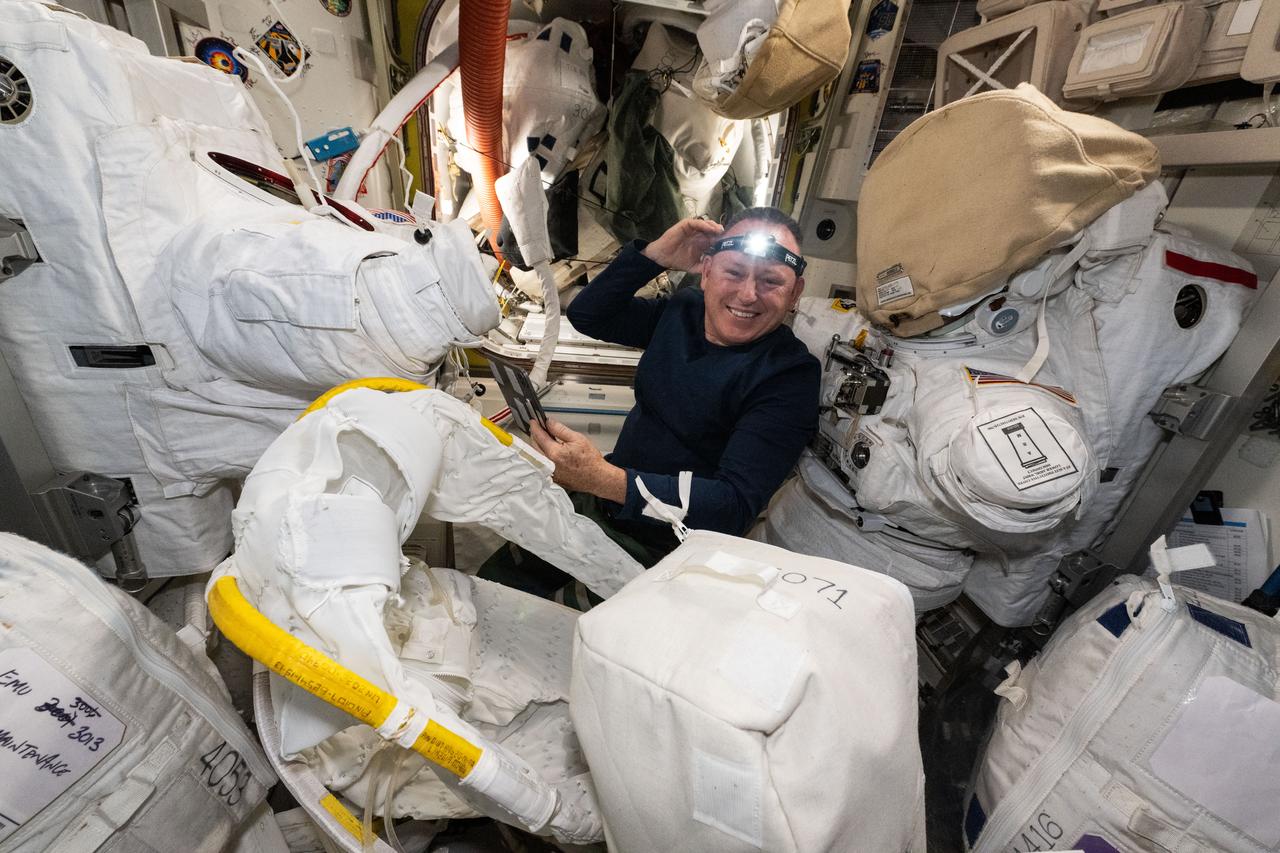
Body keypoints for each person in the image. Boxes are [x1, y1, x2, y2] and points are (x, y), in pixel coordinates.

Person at [480, 207, 820, 605]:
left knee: (553, 633)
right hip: (599, 506)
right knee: (493, 587)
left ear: (794, 293)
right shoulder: (684, 311)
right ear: (706, 271)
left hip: (665, 551)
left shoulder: (788, 375)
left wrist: (601, 478)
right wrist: (652, 257)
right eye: (734, 272)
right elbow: (590, 314)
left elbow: (732, 505)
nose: (748, 294)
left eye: (770, 281)